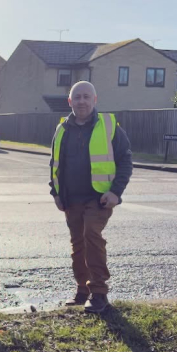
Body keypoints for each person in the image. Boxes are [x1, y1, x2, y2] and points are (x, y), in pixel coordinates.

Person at [49, 80, 132, 313]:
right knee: (77, 244)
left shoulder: (109, 125)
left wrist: (116, 192)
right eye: (77, 97)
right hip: (70, 198)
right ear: (70, 101)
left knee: (91, 235)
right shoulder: (62, 128)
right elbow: (55, 163)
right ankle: (82, 290)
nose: (82, 101)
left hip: (99, 198)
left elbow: (125, 160)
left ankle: (99, 293)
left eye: (86, 97)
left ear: (94, 100)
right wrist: (55, 192)